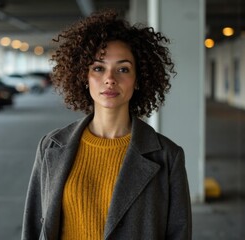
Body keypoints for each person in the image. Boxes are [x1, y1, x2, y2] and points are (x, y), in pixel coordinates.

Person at [21, 10, 192, 240]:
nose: (110, 78)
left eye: (123, 69)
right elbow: (33, 227)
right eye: (99, 68)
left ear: (138, 79)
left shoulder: (168, 156)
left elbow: (179, 234)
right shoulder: (51, 146)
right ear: (84, 76)